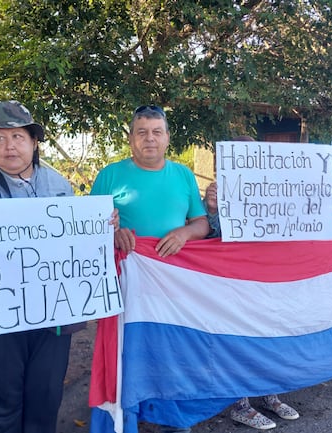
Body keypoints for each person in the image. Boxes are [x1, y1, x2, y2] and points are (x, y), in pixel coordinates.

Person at [0, 100, 109, 433]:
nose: (9, 146)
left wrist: (100, 227)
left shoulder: (59, 187)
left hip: (51, 320)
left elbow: (77, 247)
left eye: (17, 136)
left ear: (33, 142)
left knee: (44, 400)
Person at [90, 105, 210, 433]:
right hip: (127, 286)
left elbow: (201, 223)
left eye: (157, 132)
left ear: (168, 137)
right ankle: (124, 420)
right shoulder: (109, 176)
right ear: (130, 138)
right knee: (127, 355)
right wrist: (113, 233)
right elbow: (86, 228)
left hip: (174, 287)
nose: (150, 139)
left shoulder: (183, 175)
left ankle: (173, 421)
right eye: (142, 132)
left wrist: (185, 232)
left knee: (172, 352)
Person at [203, 135, 300, 430]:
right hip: (231, 284)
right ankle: (241, 404)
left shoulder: (272, 192)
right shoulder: (211, 196)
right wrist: (211, 210)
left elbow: (301, 218)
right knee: (239, 341)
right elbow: (205, 236)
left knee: (267, 337)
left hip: (266, 281)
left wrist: (325, 185)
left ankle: (270, 394)